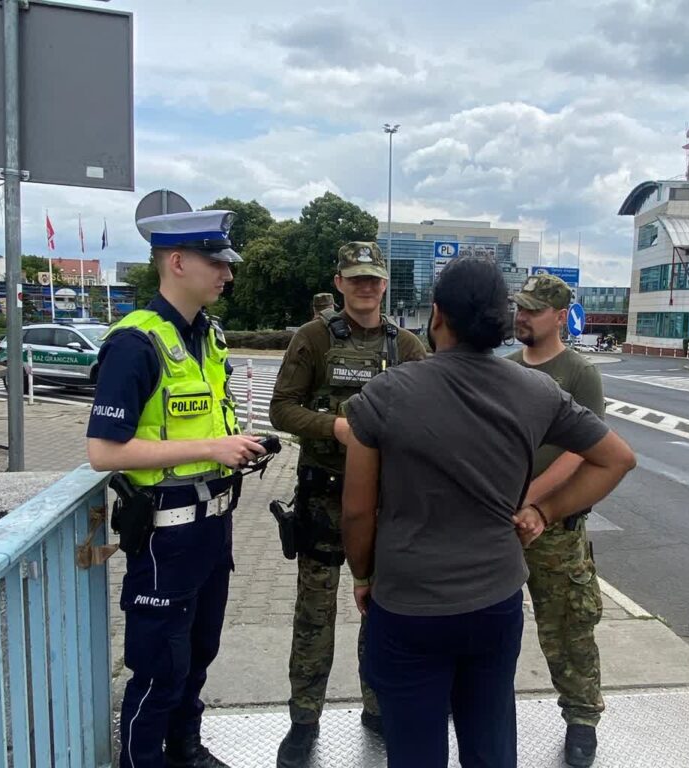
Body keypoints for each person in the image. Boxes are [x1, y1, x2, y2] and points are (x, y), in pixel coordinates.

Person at [342, 258, 636, 768]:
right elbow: (617, 459)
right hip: (495, 603)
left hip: (409, 600)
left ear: (437, 316)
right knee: (491, 736)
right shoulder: (536, 390)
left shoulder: (386, 395)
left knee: (413, 747)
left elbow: (357, 512)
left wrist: (364, 574)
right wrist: (544, 511)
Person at [86, 210, 266, 768]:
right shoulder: (136, 343)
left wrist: (236, 442)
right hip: (165, 534)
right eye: (216, 263)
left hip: (214, 526)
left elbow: (202, 422)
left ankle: (186, 750)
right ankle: (141, 761)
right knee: (158, 665)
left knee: (198, 652)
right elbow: (103, 452)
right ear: (178, 262)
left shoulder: (206, 335)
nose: (227, 275)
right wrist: (212, 450)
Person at [269, 241, 427, 767]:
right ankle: (303, 719)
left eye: (374, 279)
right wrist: (335, 427)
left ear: (385, 285)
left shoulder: (406, 345)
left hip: (383, 506)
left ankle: (377, 707)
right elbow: (282, 409)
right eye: (355, 278)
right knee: (313, 616)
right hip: (322, 498)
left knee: (380, 613)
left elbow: (429, 410)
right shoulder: (314, 339)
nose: (365, 287)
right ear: (339, 282)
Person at [509, 273, 607, 768]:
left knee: (568, 627)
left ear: (558, 316)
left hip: (554, 529)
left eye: (531, 309)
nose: (521, 316)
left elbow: (580, 450)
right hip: (502, 525)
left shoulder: (577, 374)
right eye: (519, 307)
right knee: (484, 627)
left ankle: (582, 719)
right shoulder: (504, 369)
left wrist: (531, 501)